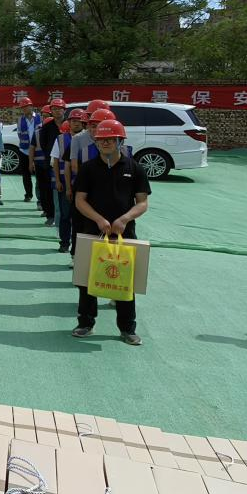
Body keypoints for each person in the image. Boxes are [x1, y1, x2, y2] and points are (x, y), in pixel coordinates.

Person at [72, 118, 148, 346]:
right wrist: (98, 219)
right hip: (92, 231)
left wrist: (124, 219)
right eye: (101, 140)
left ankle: (127, 328)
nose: (105, 143)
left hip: (124, 234)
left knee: (125, 282)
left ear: (120, 141)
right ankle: (86, 323)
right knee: (87, 280)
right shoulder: (88, 169)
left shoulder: (134, 168)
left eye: (110, 139)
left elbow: (142, 203)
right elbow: (79, 200)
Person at [53, 108, 86, 254]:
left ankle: (80, 247)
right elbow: (56, 161)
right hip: (67, 184)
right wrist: (58, 181)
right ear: (69, 123)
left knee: (81, 218)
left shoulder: (90, 139)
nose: (76, 123)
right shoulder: (61, 139)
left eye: (79, 121)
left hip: (84, 186)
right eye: (73, 121)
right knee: (65, 215)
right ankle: (64, 243)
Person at [31, 99, 65, 225]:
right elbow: (43, 144)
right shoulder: (46, 127)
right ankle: (50, 215)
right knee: (48, 190)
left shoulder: (69, 124)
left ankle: (64, 216)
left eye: (59, 109)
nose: (57, 111)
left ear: (64, 110)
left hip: (66, 162)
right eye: (54, 109)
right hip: (50, 163)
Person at [16, 98, 39, 204]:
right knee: (26, 174)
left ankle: (40, 199)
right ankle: (28, 195)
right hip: (24, 150)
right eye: (22, 107)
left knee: (39, 175)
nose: (24, 109)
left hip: (38, 150)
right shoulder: (20, 120)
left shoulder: (39, 118)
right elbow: (19, 134)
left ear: (31, 106)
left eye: (26, 106)